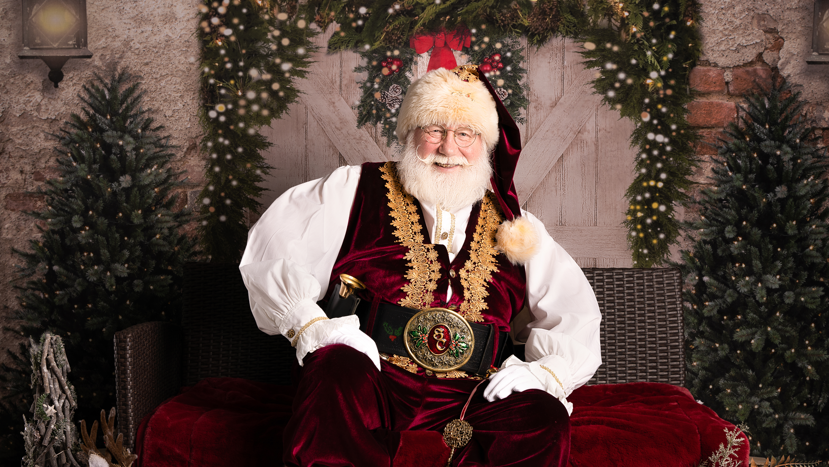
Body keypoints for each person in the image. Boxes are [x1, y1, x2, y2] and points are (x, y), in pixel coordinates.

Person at [239, 65, 602, 467]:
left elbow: (574, 312)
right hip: (374, 377)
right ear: (409, 135)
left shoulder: (517, 225)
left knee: (542, 418)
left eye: (465, 134)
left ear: (485, 144)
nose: (449, 148)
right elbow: (272, 251)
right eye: (434, 130)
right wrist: (315, 328)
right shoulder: (353, 189)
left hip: (474, 395)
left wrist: (546, 374)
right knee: (333, 371)